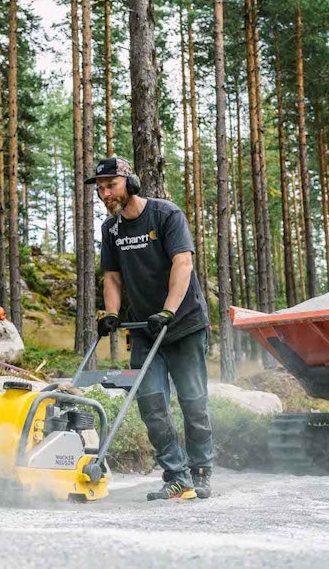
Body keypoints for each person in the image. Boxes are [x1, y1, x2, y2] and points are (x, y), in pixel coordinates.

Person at [88, 156, 214, 501]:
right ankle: (177, 475)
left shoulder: (165, 215)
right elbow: (112, 276)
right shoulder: (110, 229)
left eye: (110, 186)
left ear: (131, 183)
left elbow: (183, 262)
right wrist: (112, 313)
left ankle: (201, 471)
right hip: (144, 329)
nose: (104, 194)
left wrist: (168, 310)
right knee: (151, 402)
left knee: (193, 401)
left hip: (183, 323)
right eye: (100, 189)